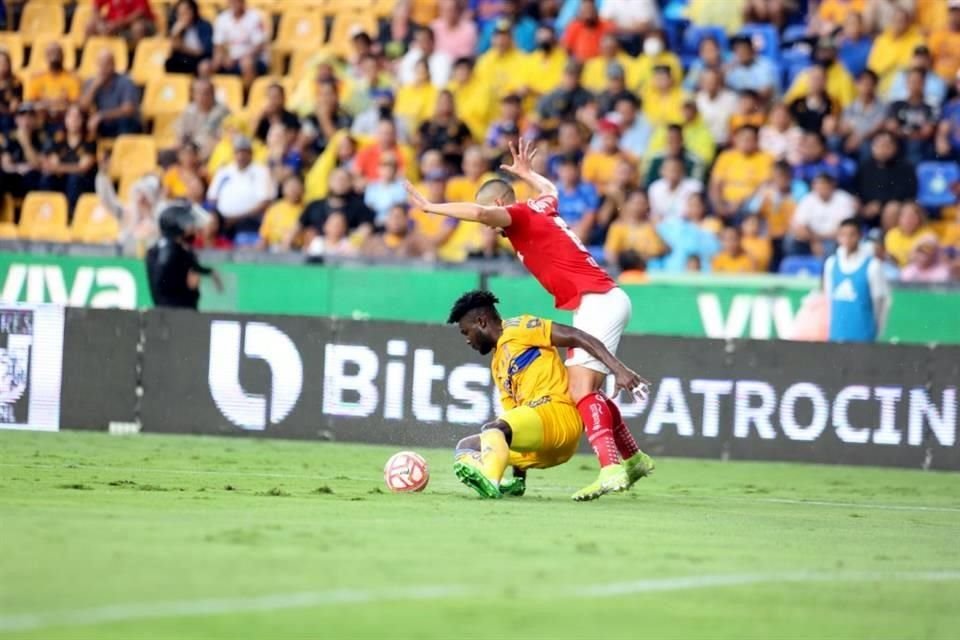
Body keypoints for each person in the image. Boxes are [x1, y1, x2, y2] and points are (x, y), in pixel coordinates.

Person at [406, 139, 653, 500]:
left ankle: (611, 468)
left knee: (580, 391)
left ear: (500, 205)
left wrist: (431, 207)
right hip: (599, 298)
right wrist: (529, 174)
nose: (489, 225)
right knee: (585, 389)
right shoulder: (540, 206)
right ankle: (633, 459)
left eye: (492, 214)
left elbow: (478, 213)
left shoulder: (519, 215)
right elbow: (551, 191)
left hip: (598, 299)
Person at [447, 290, 652, 500]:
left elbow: (578, 336)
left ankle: (490, 479)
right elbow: (515, 421)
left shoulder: (520, 327)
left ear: (481, 322)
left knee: (493, 430)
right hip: (545, 449)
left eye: (466, 332)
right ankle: (513, 483)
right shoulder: (497, 364)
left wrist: (619, 370)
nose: (467, 340)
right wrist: (520, 477)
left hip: (557, 412)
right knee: (468, 446)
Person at [823, 218, 890, 342]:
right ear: (838, 237)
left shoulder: (873, 266)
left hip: (863, 335)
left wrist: (876, 331)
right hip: (837, 334)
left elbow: (880, 301)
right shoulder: (831, 264)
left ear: (860, 236)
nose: (847, 239)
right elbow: (829, 298)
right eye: (843, 235)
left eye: (852, 234)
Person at [146, 203, 222, 309]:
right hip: (177, 312)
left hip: (174, 310)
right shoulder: (170, 250)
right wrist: (188, 287)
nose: (192, 229)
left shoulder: (167, 249)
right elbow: (163, 281)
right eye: (188, 225)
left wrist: (209, 272)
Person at [206, 134, 272, 241]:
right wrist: (216, 216)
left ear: (251, 153)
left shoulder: (261, 171)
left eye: (244, 152)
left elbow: (265, 202)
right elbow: (212, 197)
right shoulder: (224, 171)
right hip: (222, 222)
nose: (241, 156)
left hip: (250, 221)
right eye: (238, 152)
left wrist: (237, 218)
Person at [709, 125, 774, 221]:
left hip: (748, 205)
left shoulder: (766, 159)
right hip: (724, 203)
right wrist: (719, 205)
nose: (746, 142)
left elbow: (763, 187)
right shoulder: (726, 156)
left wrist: (740, 202)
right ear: (735, 139)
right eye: (743, 138)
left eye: (750, 139)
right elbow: (715, 184)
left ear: (757, 141)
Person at [38, 105, 96, 211]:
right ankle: (48, 211)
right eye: (70, 117)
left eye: (77, 117)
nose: (73, 120)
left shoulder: (89, 140)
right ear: (65, 120)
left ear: (83, 120)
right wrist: (64, 168)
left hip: (84, 182)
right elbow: (52, 163)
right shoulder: (58, 139)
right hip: (63, 179)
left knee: (74, 179)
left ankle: (71, 214)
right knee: (48, 179)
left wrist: (59, 168)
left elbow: (83, 167)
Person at [788, 173, 856, 257]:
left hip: (833, 239)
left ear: (832, 186)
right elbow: (798, 225)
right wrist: (814, 241)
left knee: (831, 246)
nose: (821, 190)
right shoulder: (808, 199)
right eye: (819, 187)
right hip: (811, 238)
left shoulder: (844, 199)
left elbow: (845, 229)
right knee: (790, 240)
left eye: (824, 187)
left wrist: (819, 239)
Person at [78, 50, 141, 138]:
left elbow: (128, 110)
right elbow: (82, 107)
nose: (103, 68)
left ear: (113, 65)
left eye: (107, 64)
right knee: (79, 121)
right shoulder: (91, 82)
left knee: (125, 122)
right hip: (102, 124)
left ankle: (122, 149)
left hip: (122, 123)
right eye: (100, 64)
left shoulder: (125, 82)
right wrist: (94, 87)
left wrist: (101, 115)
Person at [211, 0, 268, 89]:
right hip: (230, 59)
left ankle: (247, 97)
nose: (234, 4)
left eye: (237, 1)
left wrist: (238, 58)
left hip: (252, 59)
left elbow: (259, 45)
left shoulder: (254, 17)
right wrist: (224, 57)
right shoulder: (222, 18)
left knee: (247, 63)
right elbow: (218, 44)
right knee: (207, 65)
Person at [603, 189, 666, 266]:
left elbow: (658, 250)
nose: (638, 207)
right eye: (635, 203)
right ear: (627, 204)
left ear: (648, 205)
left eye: (642, 203)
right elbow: (611, 254)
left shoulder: (651, 226)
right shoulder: (617, 227)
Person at [24, 42, 81, 125]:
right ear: (45, 56)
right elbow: (30, 101)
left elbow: (74, 103)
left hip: (64, 118)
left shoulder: (72, 78)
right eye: (51, 53)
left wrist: (51, 105)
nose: (55, 56)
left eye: (57, 52)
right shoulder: (37, 78)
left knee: (74, 112)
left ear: (63, 56)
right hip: (42, 117)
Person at [166, 0, 214, 75]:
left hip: (199, 60)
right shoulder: (177, 27)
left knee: (204, 66)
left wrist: (183, 48)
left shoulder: (204, 26)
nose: (183, 15)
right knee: (169, 63)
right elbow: (173, 47)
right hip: (184, 59)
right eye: (180, 13)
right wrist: (176, 32)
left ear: (193, 11)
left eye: (186, 12)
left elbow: (203, 51)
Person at [648, 156, 703, 221]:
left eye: (675, 170)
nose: (672, 173)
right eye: (668, 170)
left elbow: (696, 212)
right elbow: (654, 214)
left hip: (688, 224)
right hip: (661, 225)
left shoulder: (694, 187)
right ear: (661, 171)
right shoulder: (655, 188)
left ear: (683, 172)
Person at [258, 174, 303, 251]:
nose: (293, 190)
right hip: (273, 248)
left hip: (297, 249)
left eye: (296, 186)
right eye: (290, 186)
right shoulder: (274, 209)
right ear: (283, 188)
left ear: (302, 189)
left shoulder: (305, 210)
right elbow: (264, 236)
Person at [87, 0, 156, 47]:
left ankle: (136, 60)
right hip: (114, 23)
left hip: (137, 23)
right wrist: (100, 24)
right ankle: (91, 58)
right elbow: (96, 5)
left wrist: (117, 24)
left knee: (138, 27)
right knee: (90, 25)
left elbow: (140, 12)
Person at [884, 201, 932, 266]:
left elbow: (924, 260)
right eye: (905, 216)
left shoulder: (927, 235)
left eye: (912, 216)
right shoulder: (891, 234)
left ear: (919, 219)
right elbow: (892, 259)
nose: (908, 220)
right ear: (899, 218)